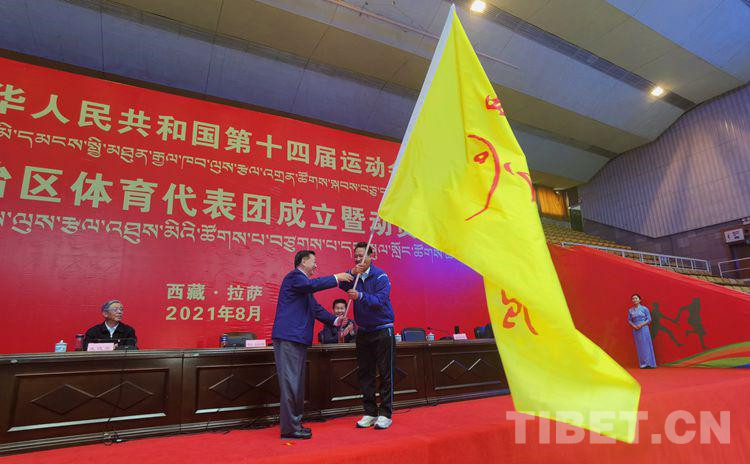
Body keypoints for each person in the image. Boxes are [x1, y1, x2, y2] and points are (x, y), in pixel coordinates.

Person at [271, 250, 354, 440]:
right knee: (291, 384)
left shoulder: (304, 287)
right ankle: (289, 429)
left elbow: (315, 309)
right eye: (314, 262)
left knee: (296, 384)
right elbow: (312, 285)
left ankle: (294, 424)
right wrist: (336, 278)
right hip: (289, 337)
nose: (316, 265)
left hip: (298, 339)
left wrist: (335, 321)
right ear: (303, 261)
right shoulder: (294, 277)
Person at [339, 242, 396, 430]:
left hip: (382, 330)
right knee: (365, 373)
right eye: (355, 256)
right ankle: (370, 412)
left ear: (371, 257)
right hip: (363, 331)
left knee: (385, 373)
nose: (358, 259)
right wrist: (352, 271)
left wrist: (360, 296)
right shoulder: (355, 276)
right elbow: (341, 283)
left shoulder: (380, 276)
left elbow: (380, 300)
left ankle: (385, 414)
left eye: (361, 256)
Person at [627, 294, 656, 368]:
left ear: (640, 300)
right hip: (636, 329)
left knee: (646, 345)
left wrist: (641, 325)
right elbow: (629, 320)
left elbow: (649, 319)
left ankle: (649, 363)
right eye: (633, 299)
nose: (634, 300)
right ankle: (643, 364)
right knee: (639, 346)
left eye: (636, 298)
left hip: (644, 328)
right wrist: (634, 326)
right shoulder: (630, 310)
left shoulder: (644, 309)